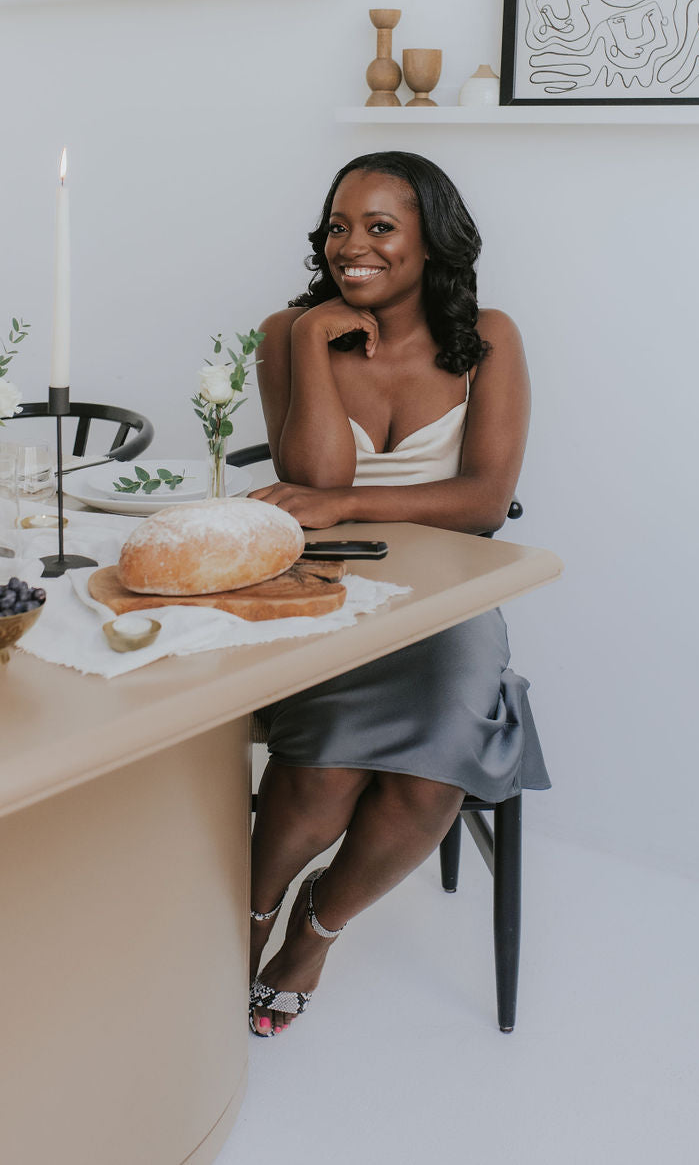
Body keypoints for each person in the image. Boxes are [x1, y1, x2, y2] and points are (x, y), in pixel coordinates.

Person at [246, 150, 549, 1036]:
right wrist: (309, 339)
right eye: (340, 226)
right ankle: (246, 916)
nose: (354, 246)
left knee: (432, 774)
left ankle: (313, 931)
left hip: (448, 602)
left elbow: (484, 499)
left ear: (431, 242)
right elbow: (309, 477)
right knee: (326, 769)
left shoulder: (487, 338)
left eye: (381, 227)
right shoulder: (286, 333)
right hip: (324, 590)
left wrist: (342, 503)